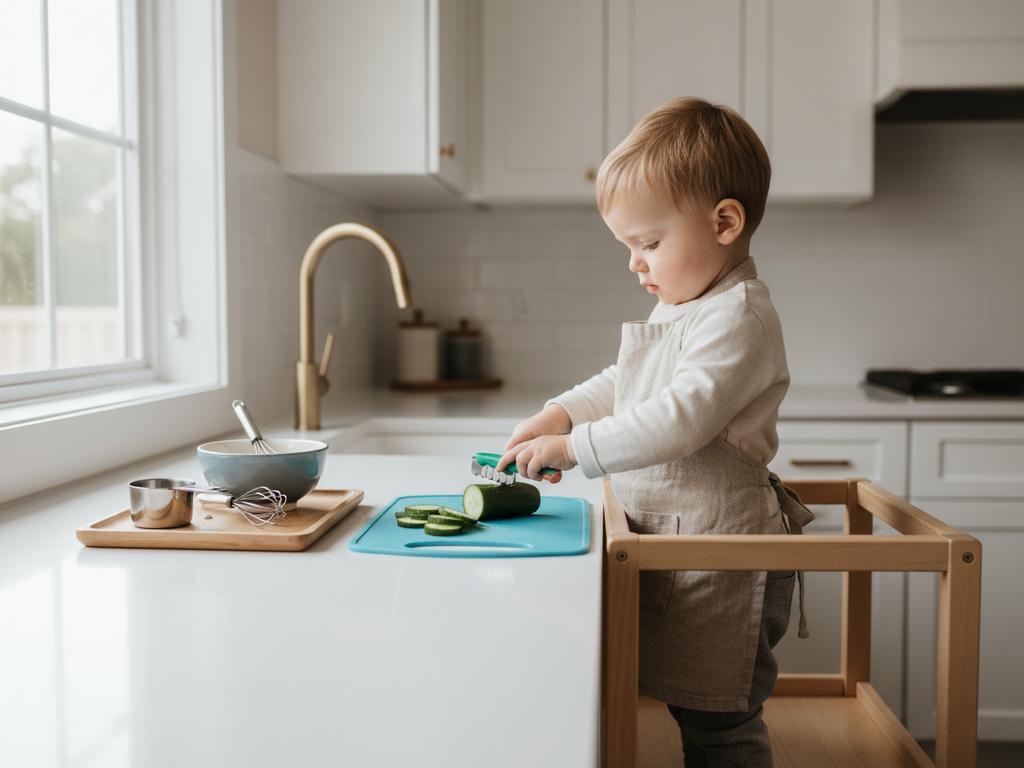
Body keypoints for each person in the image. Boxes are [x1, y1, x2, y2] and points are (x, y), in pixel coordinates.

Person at [496, 96, 815, 767]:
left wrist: (574, 448)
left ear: (724, 222)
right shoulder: (686, 310)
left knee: (719, 720)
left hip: (725, 560)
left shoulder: (740, 317)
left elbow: (680, 419)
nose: (636, 264)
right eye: (630, 248)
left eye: (648, 243)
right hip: (677, 546)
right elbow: (622, 381)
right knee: (682, 700)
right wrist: (560, 413)